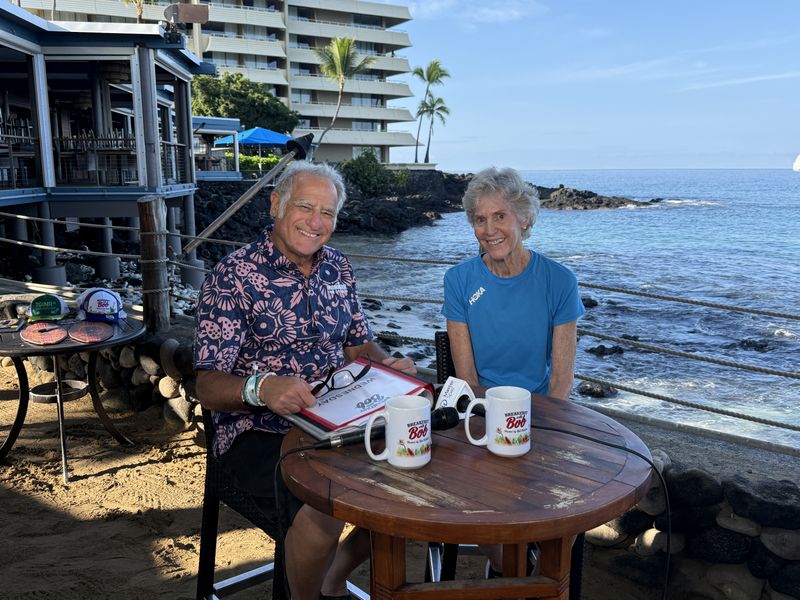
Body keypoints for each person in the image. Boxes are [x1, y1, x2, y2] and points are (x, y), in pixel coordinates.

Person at [193, 161, 416, 600]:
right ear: (276, 204)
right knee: (325, 503)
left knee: (410, 482)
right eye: (305, 207)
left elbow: (358, 346)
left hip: (337, 419)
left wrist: (389, 366)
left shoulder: (338, 268)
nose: (316, 222)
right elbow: (206, 384)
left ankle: (333, 577)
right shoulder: (233, 276)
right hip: (257, 430)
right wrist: (261, 388)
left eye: (327, 212)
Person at [441, 166, 585, 574]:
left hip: (544, 415)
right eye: (480, 219)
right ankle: (517, 574)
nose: (489, 230)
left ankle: (537, 573)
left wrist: (531, 428)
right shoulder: (459, 280)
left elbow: (561, 381)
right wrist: (500, 429)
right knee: (483, 499)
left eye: (500, 216)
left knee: (575, 503)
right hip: (482, 416)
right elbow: (468, 380)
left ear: (523, 218)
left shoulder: (560, 281)